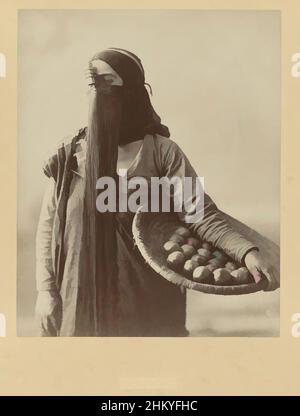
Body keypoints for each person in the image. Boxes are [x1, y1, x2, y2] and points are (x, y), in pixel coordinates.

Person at [35, 47, 279, 337]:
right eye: (92, 83)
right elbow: (49, 228)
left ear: (133, 90)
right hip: (80, 298)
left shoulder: (163, 153)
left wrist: (248, 253)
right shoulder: (70, 156)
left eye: (108, 82)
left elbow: (201, 215)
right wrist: (46, 291)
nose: (98, 92)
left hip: (149, 302)